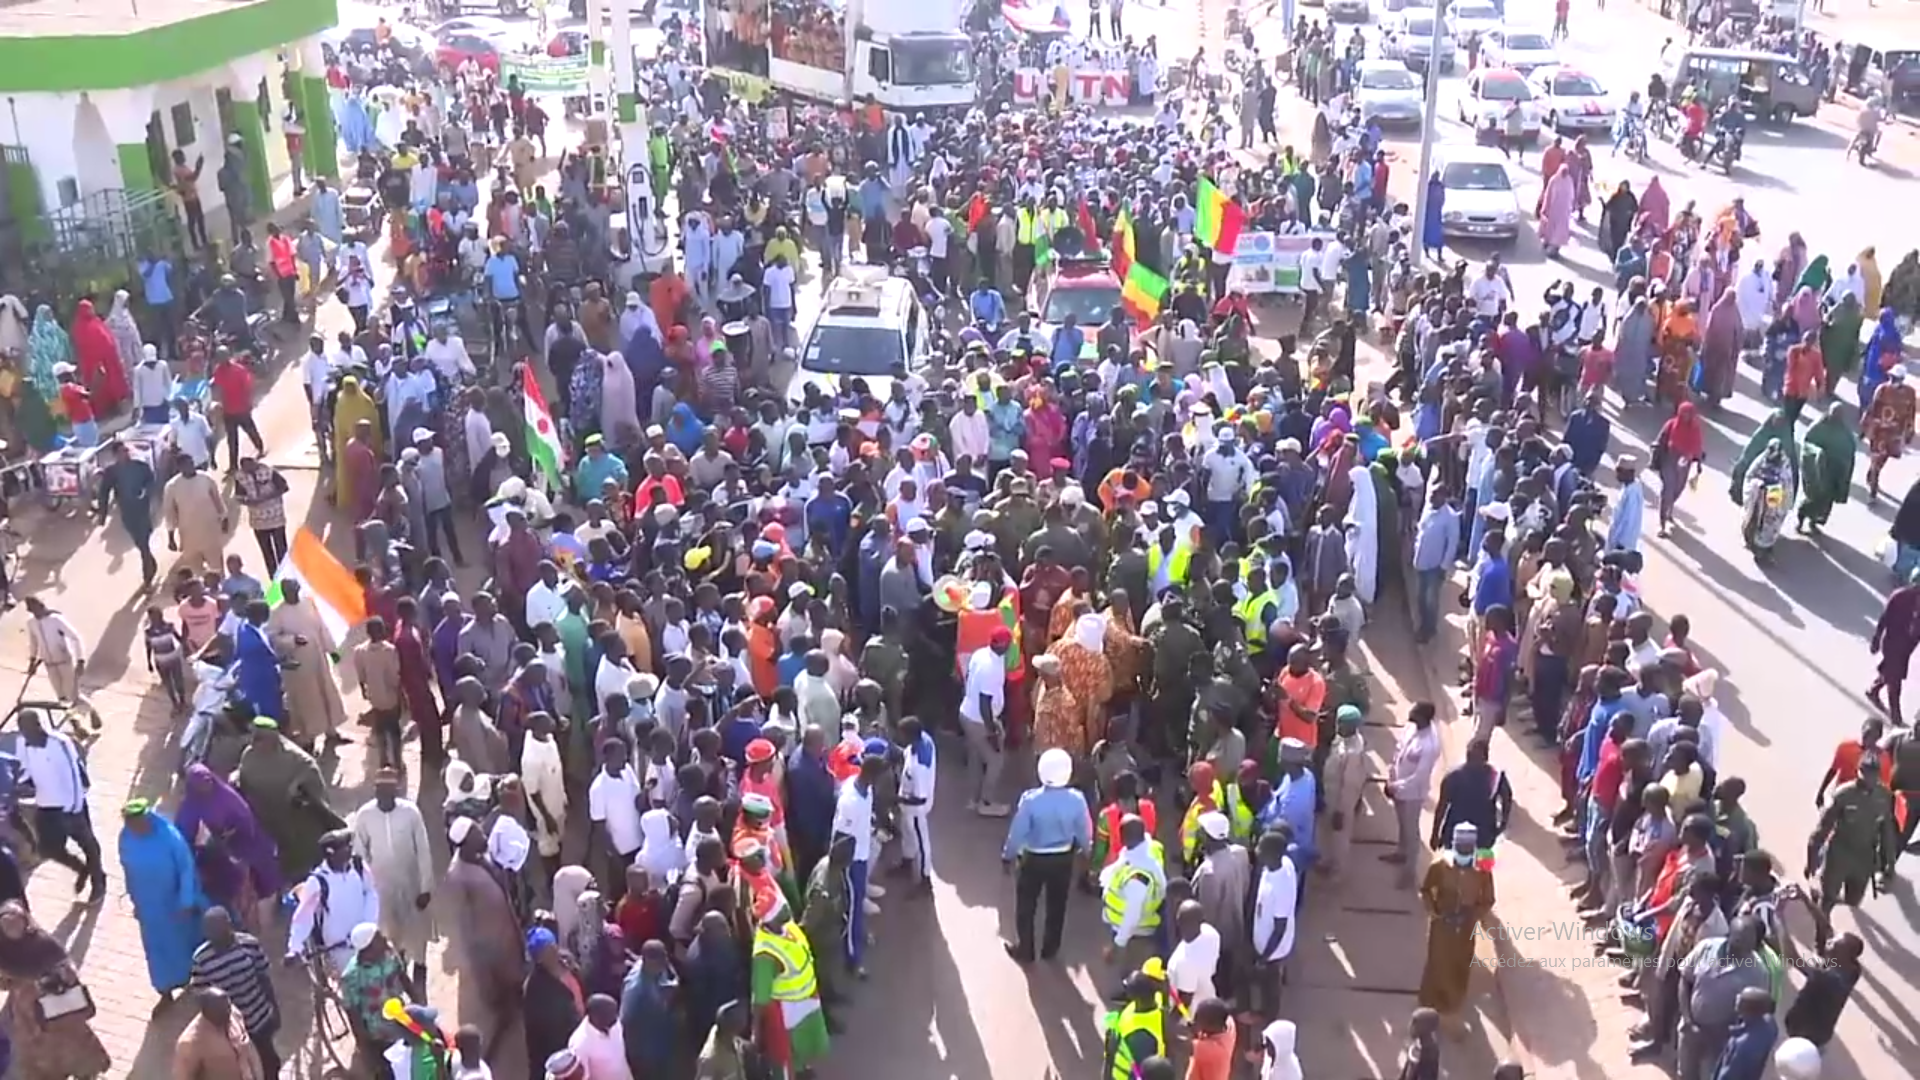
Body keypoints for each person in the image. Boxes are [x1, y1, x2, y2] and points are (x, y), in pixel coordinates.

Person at [442, 816, 526, 1054]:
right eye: (477, 835)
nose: (484, 837)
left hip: (506, 929)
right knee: (499, 984)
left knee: (516, 969)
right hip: (489, 943)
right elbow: (464, 923)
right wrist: (479, 958)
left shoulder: (481, 856)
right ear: (465, 843)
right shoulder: (457, 875)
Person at [0, 900, 111, 1079]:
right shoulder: (7, 951)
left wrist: (54, 980)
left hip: (56, 1010)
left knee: (70, 1050)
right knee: (43, 1060)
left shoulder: (42, 944)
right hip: (32, 1017)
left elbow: (67, 970)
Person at [350, 768, 436, 997]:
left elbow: (424, 850)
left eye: (389, 790)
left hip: (411, 884)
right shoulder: (365, 815)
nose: (385, 795)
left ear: (396, 790)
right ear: (375, 790)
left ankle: (420, 978)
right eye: (380, 790)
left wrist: (426, 887)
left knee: (417, 933)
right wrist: (366, 887)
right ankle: (398, 977)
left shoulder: (411, 813)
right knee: (390, 934)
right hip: (382, 887)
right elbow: (359, 853)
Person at [1002, 747, 1092, 963]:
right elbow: (1084, 830)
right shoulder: (1077, 799)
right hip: (1063, 859)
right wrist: (1086, 851)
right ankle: (1050, 948)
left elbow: (1017, 832)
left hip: (1033, 858)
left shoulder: (1030, 800)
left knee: (1026, 905)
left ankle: (1026, 950)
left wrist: (1008, 855)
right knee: (1057, 904)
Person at [14, 707, 108, 900]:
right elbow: (24, 771)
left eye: (29, 732)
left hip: (71, 807)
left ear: (39, 727)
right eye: (23, 732)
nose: (26, 737)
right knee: (47, 849)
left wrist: (74, 810)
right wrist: (21, 786)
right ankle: (81, 868)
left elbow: (73, 779)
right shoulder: (22, 742)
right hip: (46, 805)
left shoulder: (61, 743)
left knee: (88, 844)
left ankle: (98, 880)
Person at [175, 764, 282, 929]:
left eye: (208, 781)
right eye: (201, 784)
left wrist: (230, 837)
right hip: (209, 858)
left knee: (257, 883)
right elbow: (183, 837)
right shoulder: (188, 808)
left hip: (241, 848)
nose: (206, 785)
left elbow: (246, 822)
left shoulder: (227, 797)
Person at [188, 907, 280, 1080]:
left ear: (229, 926)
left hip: (258, 1017)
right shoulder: (201, 959)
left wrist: (274, 1009)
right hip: (230, 1030)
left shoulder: (249, 944)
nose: (214, 939)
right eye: (210, 934)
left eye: (218, 933)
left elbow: (264, 978)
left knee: (270, 1063)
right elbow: (200, 995)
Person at [1417, 822, 1495, 1020]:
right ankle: (1430, 1002)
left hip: (1466, 926)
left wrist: (1472, 915)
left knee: (1461, 961)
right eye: (1461, 848)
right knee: (1437, 960)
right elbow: (1426, 891)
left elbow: (1488, 900)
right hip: (1442, 923)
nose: (1465, 853)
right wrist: (1434, 912)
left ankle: (1453, 1002)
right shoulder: (1440, 865)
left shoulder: (1482, 869)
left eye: (1468, 849)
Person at [750, 901, 830, 1080]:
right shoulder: (765, 955)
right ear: (772, 919)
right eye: (781, 908)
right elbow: (760, 997)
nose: (786, 907)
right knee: (786, 1057)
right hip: (784, 1011)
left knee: (804, 1043)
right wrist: (756, 1030)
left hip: (805, 1000)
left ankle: (802, 1068)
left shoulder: (788, 927)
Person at [173, 986, 265, 1080]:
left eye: (228, 1007)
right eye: (221, 1010)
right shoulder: (190, 1044)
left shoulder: (233, 1014)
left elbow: (247, 1047)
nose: (228, 1013)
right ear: (205, 1011)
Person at [1797, 402, 1858, 533]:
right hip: (1816, 472)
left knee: (1826, 502)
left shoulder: (1845, 433)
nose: (1836, 417)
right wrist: (1818, 453)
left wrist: (1844, 470)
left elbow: (1850, 452)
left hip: (1833, 475)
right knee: (1812, 499)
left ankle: (1814, 521)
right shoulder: (1818, 426)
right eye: (1834, 414)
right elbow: (1807, 442)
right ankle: (1800, 521)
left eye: (1839, 415)